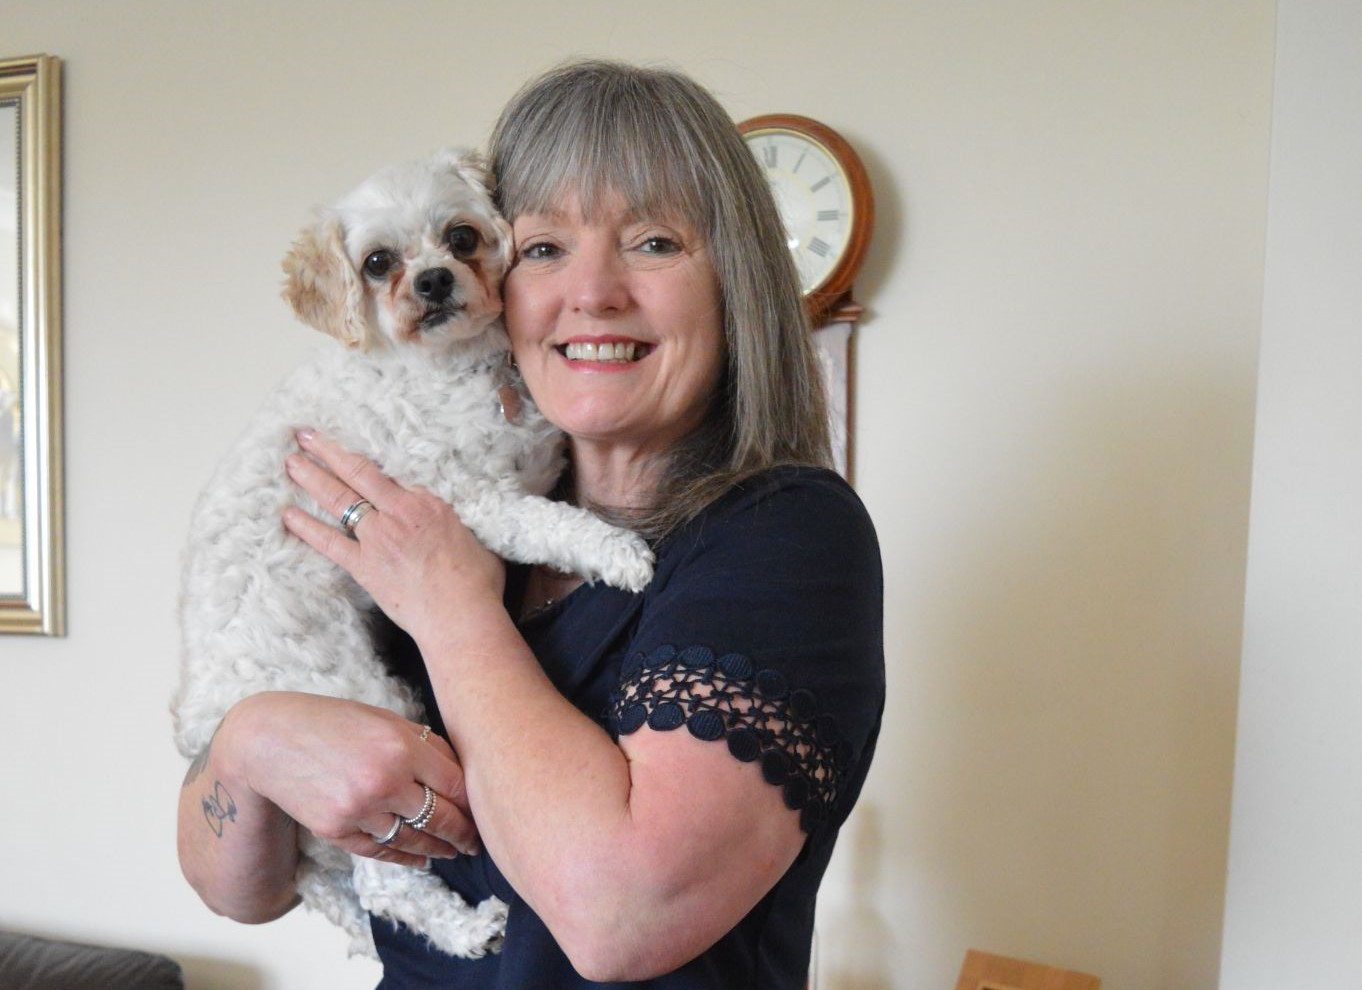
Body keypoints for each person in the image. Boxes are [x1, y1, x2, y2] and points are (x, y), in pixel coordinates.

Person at [177, 59, 885, 988]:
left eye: (655, 243)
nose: (591, 293)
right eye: (544, 248)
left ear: (735, 281)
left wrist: (450, 609)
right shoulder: (452, 519)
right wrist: (250, 741)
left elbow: (618, 921)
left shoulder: (784, 536)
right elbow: (236, 890)